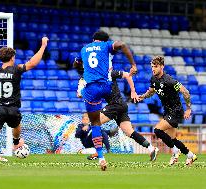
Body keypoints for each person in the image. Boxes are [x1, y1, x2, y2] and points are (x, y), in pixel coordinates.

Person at [0, 37, 49, 170]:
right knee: (17, 126)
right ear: (12, 57)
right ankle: (16, 142)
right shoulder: (16, 69)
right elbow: (32, 63)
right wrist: (43, 46)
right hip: (12, 109)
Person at [75, 30, 137, 171]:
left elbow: (76, 63)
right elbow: (122, 44)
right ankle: (119, 110)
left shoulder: (84, 49)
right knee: (114, 100)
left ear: (94, 39)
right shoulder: (106, 46)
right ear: (104, 40)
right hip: (107, 86)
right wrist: (133, 64)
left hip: (91, 89)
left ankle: (101, 157)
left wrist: (82, 70)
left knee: (95, 123)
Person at [76, 66, 159, 161]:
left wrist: (133, 91)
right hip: (121, 106)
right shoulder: (100, 77)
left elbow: (128, 75)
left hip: (115, 105)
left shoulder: (108, 74)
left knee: (95, 122)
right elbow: (83, 95)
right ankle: (151, 148)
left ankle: (98, 152)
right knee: (129, 132)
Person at [139, 55, 197, 166]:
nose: (153, 69)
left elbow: (185, 92)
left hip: (176, 111)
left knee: (157, 130)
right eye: (152, 66)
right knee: (173, 139)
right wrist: (142, 96)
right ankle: (190, 155)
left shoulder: (169, 80)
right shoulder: (154, 78)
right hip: (167, 111)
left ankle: (175, 151)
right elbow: (151, 91)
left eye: (155, 66)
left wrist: (188, 109)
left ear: (162, 67)